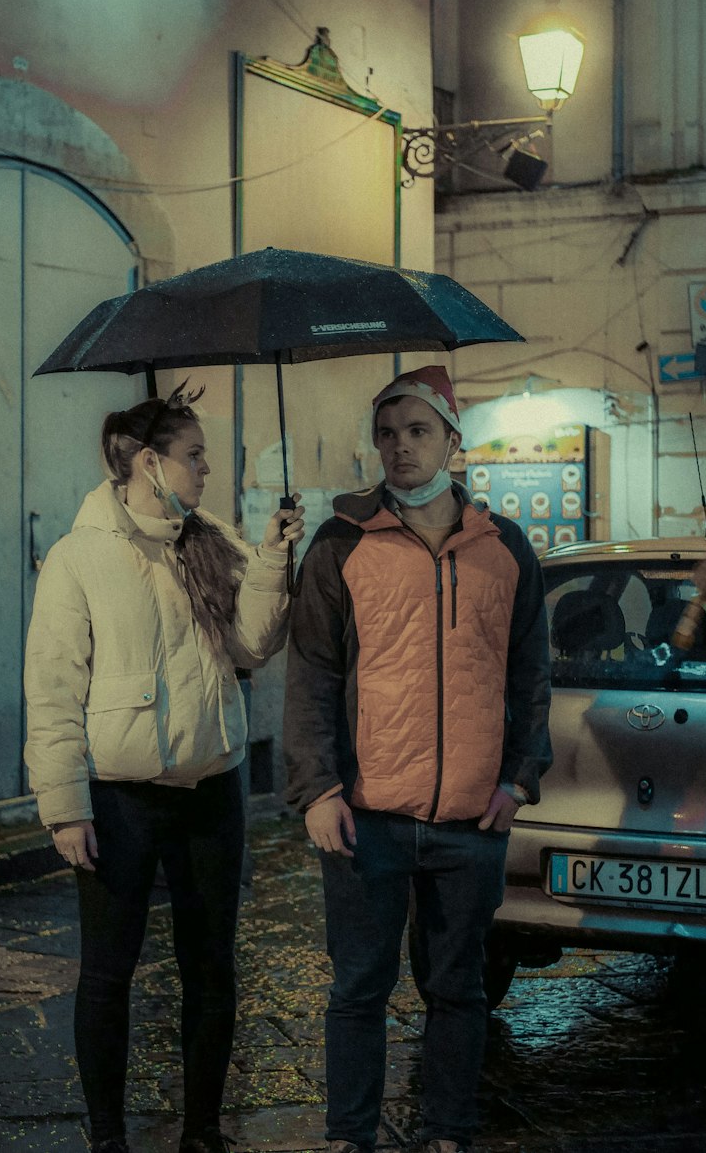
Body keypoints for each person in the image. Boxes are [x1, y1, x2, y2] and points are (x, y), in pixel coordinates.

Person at [24, 382, 304, 1153]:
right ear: (149, 463)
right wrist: (65, 805)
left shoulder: (206, 537)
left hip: (212, 789)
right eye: (194, 455)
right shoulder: (80, 558)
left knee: (212, 966)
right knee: (108, 971)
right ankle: (108, 1136)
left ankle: (203, 1130)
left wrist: (275, 555)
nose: (207, 468)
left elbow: (252, 644)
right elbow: (52, 687)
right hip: (119, 799)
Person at [283, 365, 551, 1153]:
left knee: (458, 990)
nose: (400, 447)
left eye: (418, 431)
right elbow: (311, 676)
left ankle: (446, 1133)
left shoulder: (505, 549)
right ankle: (349, 1136)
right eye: (388, 433)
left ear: (452, 442)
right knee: (359, 988)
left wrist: (518, 776)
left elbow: (533, 671)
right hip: (367, 814)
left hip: (471, 817)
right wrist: (317, 789)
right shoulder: (340, 544)